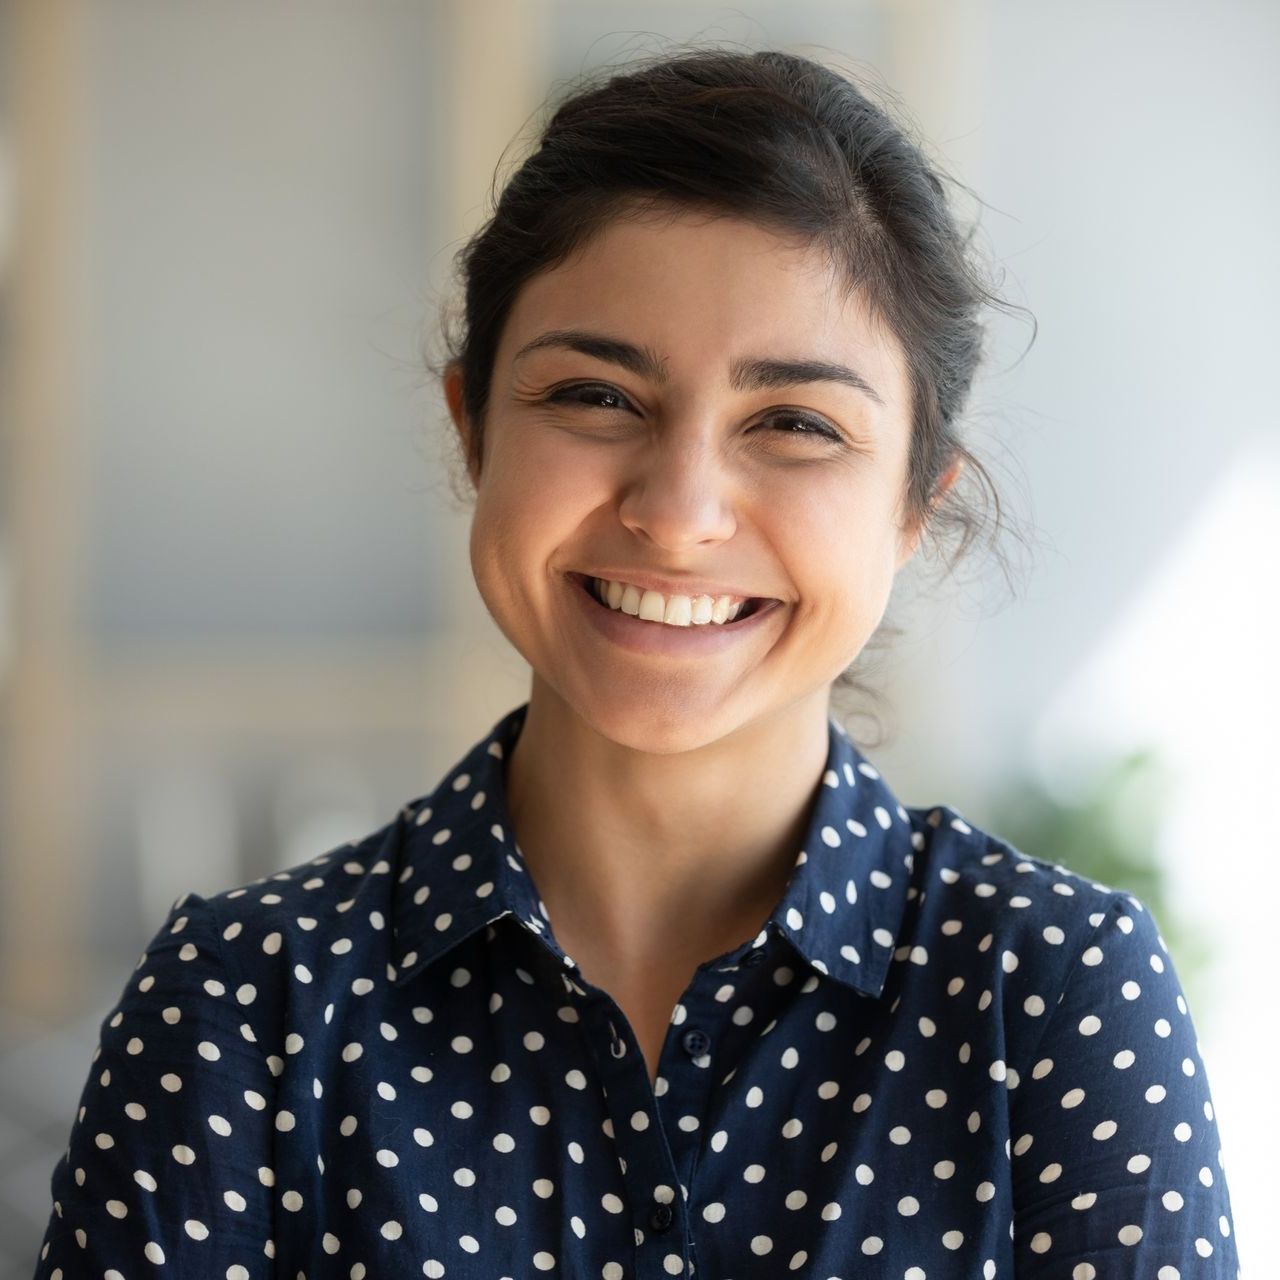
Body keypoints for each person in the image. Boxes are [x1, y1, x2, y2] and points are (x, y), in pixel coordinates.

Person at [32, 45, 1239, 1280]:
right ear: (471, 425)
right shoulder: (244, 1002)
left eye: (795, 423)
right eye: (597, 395)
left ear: (914, 504)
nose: (677, 510)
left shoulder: (1050, 991)